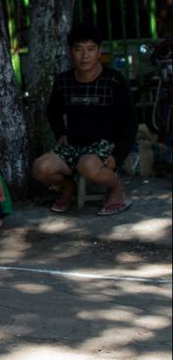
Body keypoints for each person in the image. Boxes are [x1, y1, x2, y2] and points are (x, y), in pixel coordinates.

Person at [32, 23, 136, 216]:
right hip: (74, 145)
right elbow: (53, 111)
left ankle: (116, 189)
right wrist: (61, 133)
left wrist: (118, 156)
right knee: (40, 168)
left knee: (86, 165)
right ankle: (67, 188)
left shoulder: (114, 81)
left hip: (104, 146)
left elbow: (129, 124)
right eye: (78, 49)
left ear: (99, 51)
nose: (85, 55)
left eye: (91, 49)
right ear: (70, 52)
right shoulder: (63, 81)